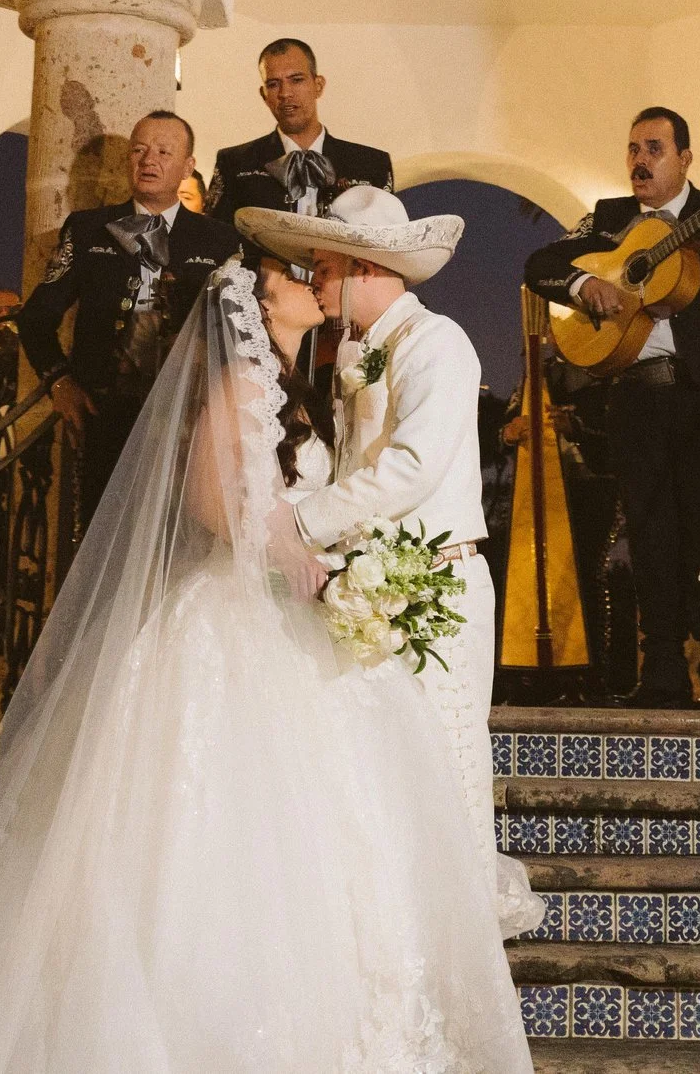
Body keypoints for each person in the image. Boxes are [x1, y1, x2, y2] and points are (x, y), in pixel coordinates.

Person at [0, 254, 533, 1074]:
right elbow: (212, 495)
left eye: (317, 272)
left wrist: (312, 556)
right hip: (232, 618)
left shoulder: (304, 386)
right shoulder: (237, 383)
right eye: (291, 276)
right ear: (262, 306)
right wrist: (285, 550)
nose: (311, 281)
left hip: (285, 621)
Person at [240, 185, 544, 934]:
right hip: (374, 589)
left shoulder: (439, 342)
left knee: (446, 755)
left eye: (324, 266)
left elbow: (412, 467)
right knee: (386, 767)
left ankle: (461, 927)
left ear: (366, 268)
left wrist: (297, 521)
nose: (314, 279)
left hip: (439, 584)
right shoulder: (353, 351)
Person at [523, 107, 700, 708]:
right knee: (650, 533)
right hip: (634, 397)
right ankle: (661, 673)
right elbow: (540, 265)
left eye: (654, 148)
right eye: (633, 148)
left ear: (685, 158)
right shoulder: (609, 219)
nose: (640, 160)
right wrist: (584, 285)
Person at [15, 111, 239, 499]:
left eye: (164, 152)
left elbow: (236, 332)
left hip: (188, 415)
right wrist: (59, 382)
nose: (149, 160)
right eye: (139, 150)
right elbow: (36, 318)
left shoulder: (219, 240)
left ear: (188, 167)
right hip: (102, 415)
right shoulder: (88, 229)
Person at [207, 37, 396, 226]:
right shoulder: (234, 163)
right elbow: (214, 237)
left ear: (318, 85)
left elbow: (387, 238)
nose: (285, 93)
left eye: (296, 80)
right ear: (264, 94)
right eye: (273, 84)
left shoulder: (371, 165)